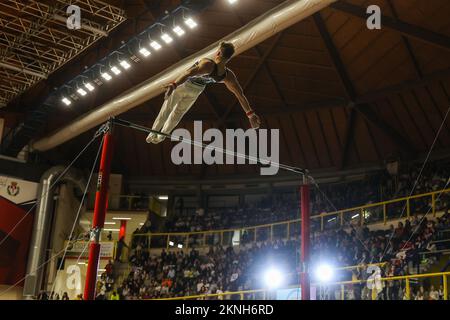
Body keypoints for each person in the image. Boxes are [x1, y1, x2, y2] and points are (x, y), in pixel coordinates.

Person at [146, 42, 261, 144]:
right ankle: (161, 136)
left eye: (217, 51)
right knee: (178, 114)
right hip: (196, 91)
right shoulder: (227, 75)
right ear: (229, 57)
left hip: (184, 86)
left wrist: (174, 84)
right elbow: (240, 95)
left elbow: (188, 73)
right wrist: (250, 114)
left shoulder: (208, 64)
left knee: (167, 109)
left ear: (219, 53)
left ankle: (152, 134)